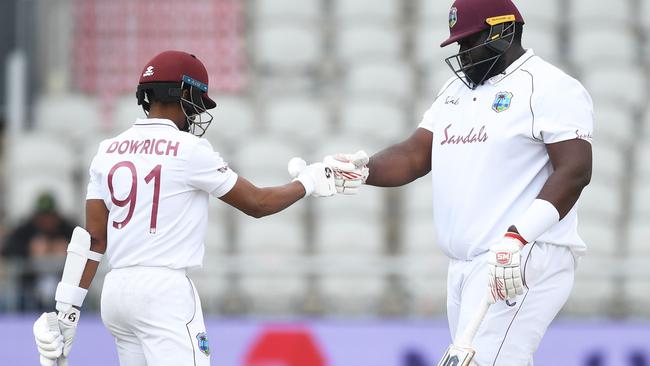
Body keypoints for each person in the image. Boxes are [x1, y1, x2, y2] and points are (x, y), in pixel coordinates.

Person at [325, 0, 593, 364]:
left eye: (470, 42)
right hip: (466, 264)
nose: (463, 54)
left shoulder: (549, 87)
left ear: (503, 31)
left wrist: (518, 237)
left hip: (522, 252)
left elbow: (575, 171)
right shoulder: (455, 89)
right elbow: (416, 155)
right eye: (459, 45)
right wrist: (365, 168)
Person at [33, 50, 336, 366]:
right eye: (196, 103)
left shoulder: (106, 151)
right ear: (185, 93)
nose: (195, 114)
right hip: (163, 292)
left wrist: (66, 310)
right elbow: (258, 204)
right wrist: (308, 182)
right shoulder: (189, 149)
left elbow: (93, 239)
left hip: (116, 293)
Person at [1, 192, 75, 311]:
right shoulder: (25, 229)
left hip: (64, 287)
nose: (46, 220)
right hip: (29, 289)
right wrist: (29, 250)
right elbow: (7, 249)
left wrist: (70, 250)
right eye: (42, 217)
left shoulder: (68, 229)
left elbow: (89, 248)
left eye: (50, 216)